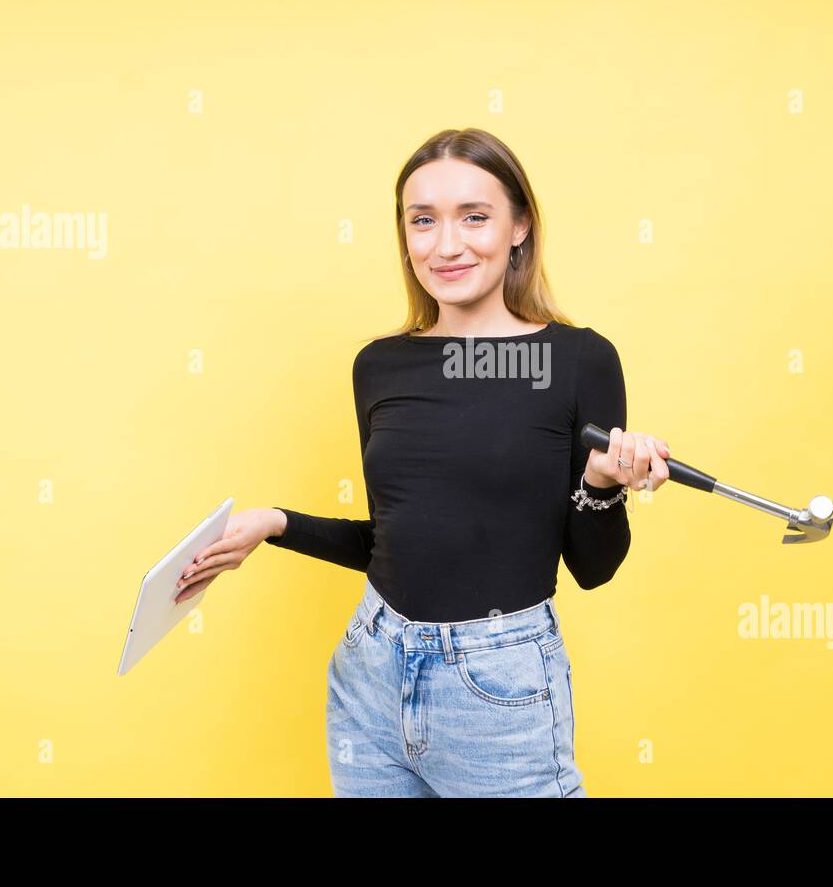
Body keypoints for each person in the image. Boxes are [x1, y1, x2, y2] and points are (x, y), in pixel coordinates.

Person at [178, 128, 671, 796]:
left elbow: (594, 567)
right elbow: (397, 540)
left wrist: (600, 485)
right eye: (423, 221)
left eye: (474, 217)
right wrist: (274, 524)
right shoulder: (380, 365)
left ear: (519, 225)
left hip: (499, 690)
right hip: (370, 675)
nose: (446, 245)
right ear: (404, 236)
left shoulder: (579, 361)